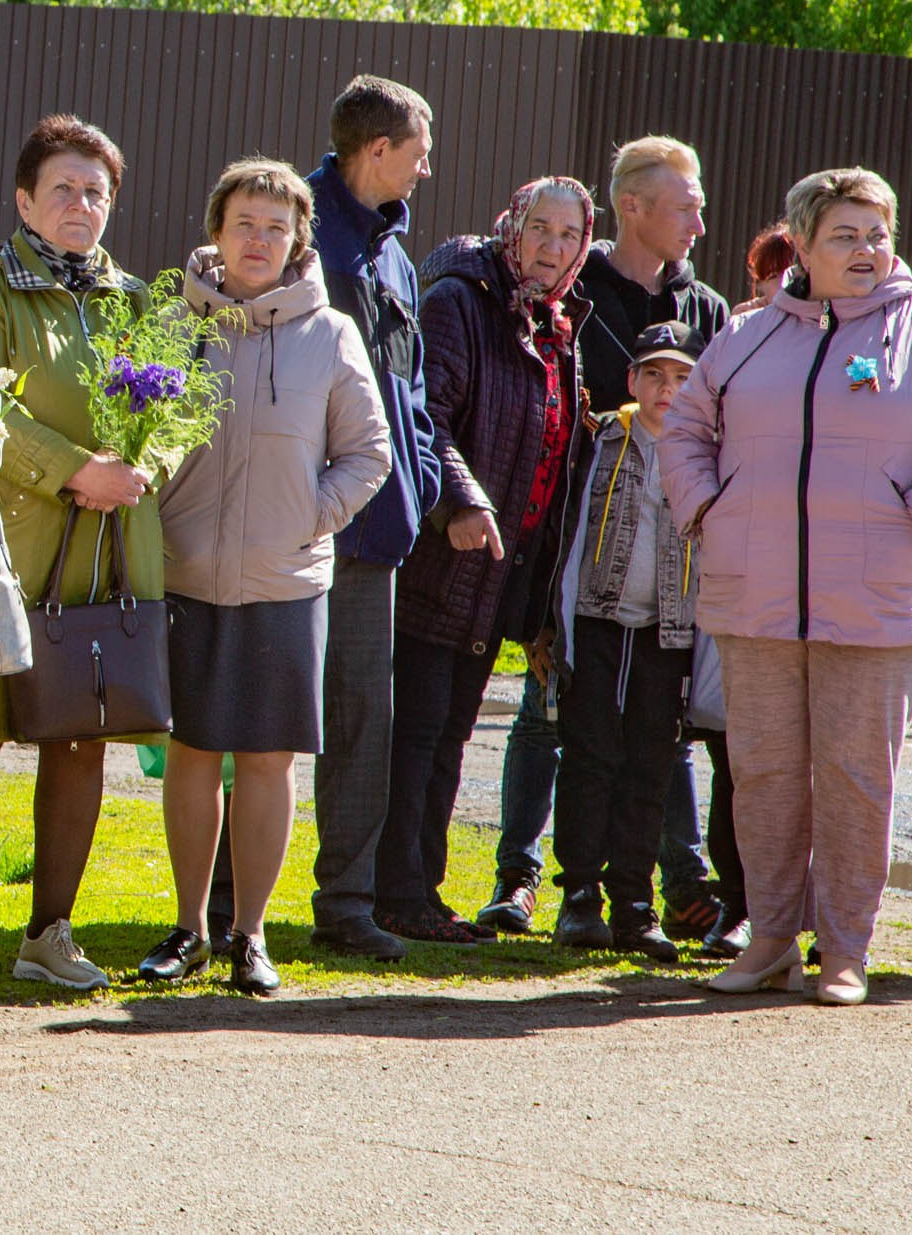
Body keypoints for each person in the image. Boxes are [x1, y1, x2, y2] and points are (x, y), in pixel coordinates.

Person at [662, 168, 912, 1005]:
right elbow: (684, 428)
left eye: (877, 234)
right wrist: (710, 507)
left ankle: (845, 950)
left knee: (857, 778)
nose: (866, 250)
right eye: (846, 235)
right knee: (766, 775)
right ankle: (771, 940)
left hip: (880, 601)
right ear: (804, 244)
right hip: (758, 595)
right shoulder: (745, 336)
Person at [0, 115, 160, 995]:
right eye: (62, 187)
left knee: (79, 741)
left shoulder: (134, 300)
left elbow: (172, 411)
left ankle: (49, 932)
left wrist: (135, 470)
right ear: (24, 199)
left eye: (97, 191)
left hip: (104, 558)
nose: (80, 204)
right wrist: (71, 470)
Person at [141, 160, 389, 994]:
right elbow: (132, 435)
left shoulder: (332, 334)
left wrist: (303, 520)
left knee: (268, 760)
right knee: (190, 752)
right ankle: (187, 929)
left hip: (286, 581)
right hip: (183, 575)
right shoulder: (171, 324)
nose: (259, 239)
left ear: (297, 240)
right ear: (216, 228)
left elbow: (368, 455)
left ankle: (250, 935)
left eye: (276, 226)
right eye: (245, 221)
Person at [482, 137, 730, 940]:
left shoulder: (708, 311)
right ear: (632, 206)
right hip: (576, 558)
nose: (699, 218)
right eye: (685, 201)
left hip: (669, 583)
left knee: (657, 741)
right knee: (554, 721)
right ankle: (526, 878)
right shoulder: (570, 288)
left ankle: (661, 886)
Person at [252, 75, 443, 963]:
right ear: (377, 153)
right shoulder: (293, 231)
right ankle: (225, 907)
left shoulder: (395, 248)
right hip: (290, 524)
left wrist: (435, 483)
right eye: (417, 151)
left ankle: (347, 903)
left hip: (376, 529)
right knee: (259, 715)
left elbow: (407, 385)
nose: (426, 167)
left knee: (364, 716)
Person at [380, 177, 593, 945]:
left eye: (570, 235)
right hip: (440, 560)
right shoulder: (461, 302)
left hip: (494, 574)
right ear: (511, 224)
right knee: (417, 733)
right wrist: (461, 502)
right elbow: (424, 420)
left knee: (448, 734)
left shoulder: (555, 324)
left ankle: (418, 892)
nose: (553, 246)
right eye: (540, 228)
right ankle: (394, 893)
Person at [545, 321, 708, 966]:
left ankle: (635, 904)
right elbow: (564, 531)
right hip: (597, 618)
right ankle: (579, 895)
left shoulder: (705, 451)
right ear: (632, 381)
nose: (667, 389)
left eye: (682, 378)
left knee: (651, 763)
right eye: (654, 375)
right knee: (589, 755)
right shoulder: (599, 440)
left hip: (668, 630)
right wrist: (549, 627)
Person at [736, 222, 797, 315]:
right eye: (774, 276)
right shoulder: (749, 319)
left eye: (791, 271)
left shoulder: (823, 316)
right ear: (762, 285)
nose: (783, 283)